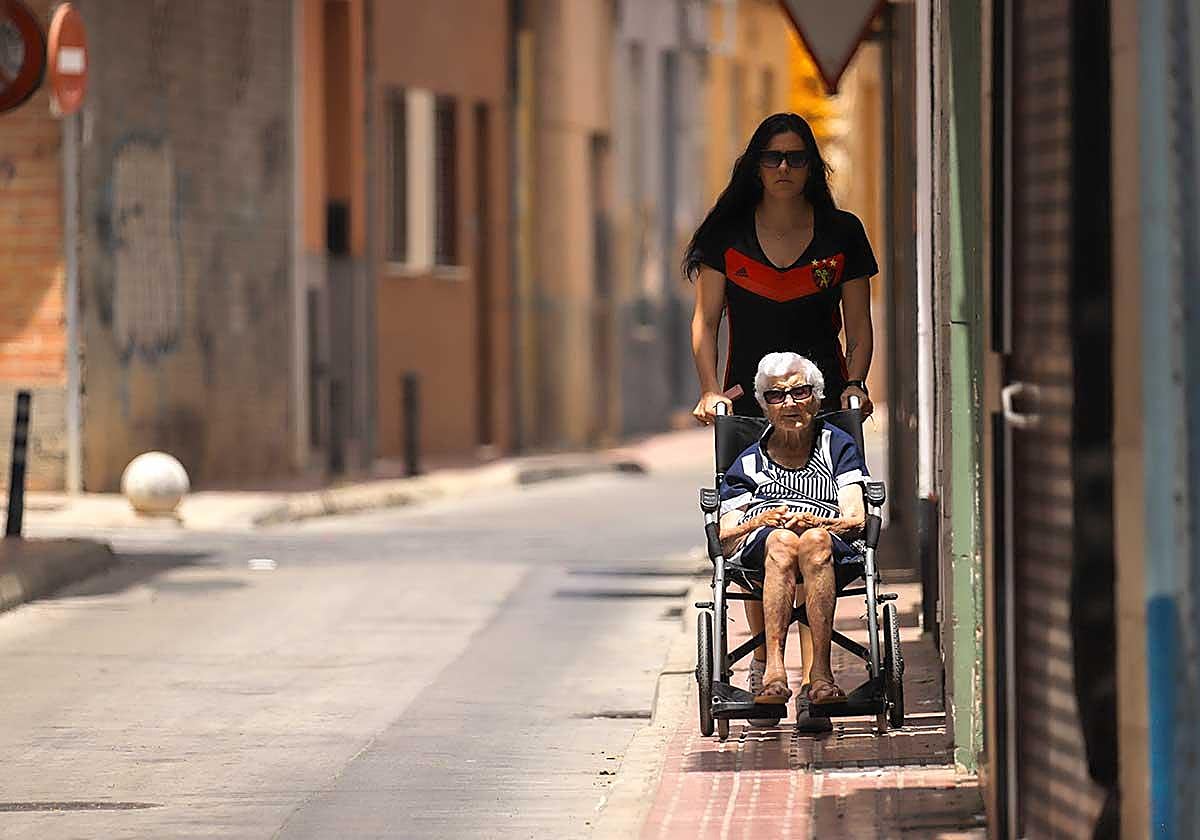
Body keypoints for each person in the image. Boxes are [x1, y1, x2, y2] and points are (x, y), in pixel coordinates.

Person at [684, 113, 879, 724]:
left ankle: (812, 672)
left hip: (820, 401)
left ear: (812, 166)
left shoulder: (842, 233)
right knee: (755, 533)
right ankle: (764, 668)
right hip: (750, 400)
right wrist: (710, 391)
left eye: (796, 158)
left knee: (819, 530)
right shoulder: (728, 235)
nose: (785, 169)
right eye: (773, 159)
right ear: (755, 166)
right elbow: (705, 322)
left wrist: (853, 383)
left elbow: (860, 323)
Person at [717, 353, 867, 711]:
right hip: (765, 545)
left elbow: (856, 517)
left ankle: (820, 676)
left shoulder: (838, 446)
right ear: (763, 406)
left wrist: (818, 523)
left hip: (827, 546)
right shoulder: (747, 463)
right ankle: (774, 672)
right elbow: (725, 535)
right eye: (776, 396)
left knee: (812, 542)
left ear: (817, 397)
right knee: (783, 542)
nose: (789, 404)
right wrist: (761, 521)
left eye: (800, 393)